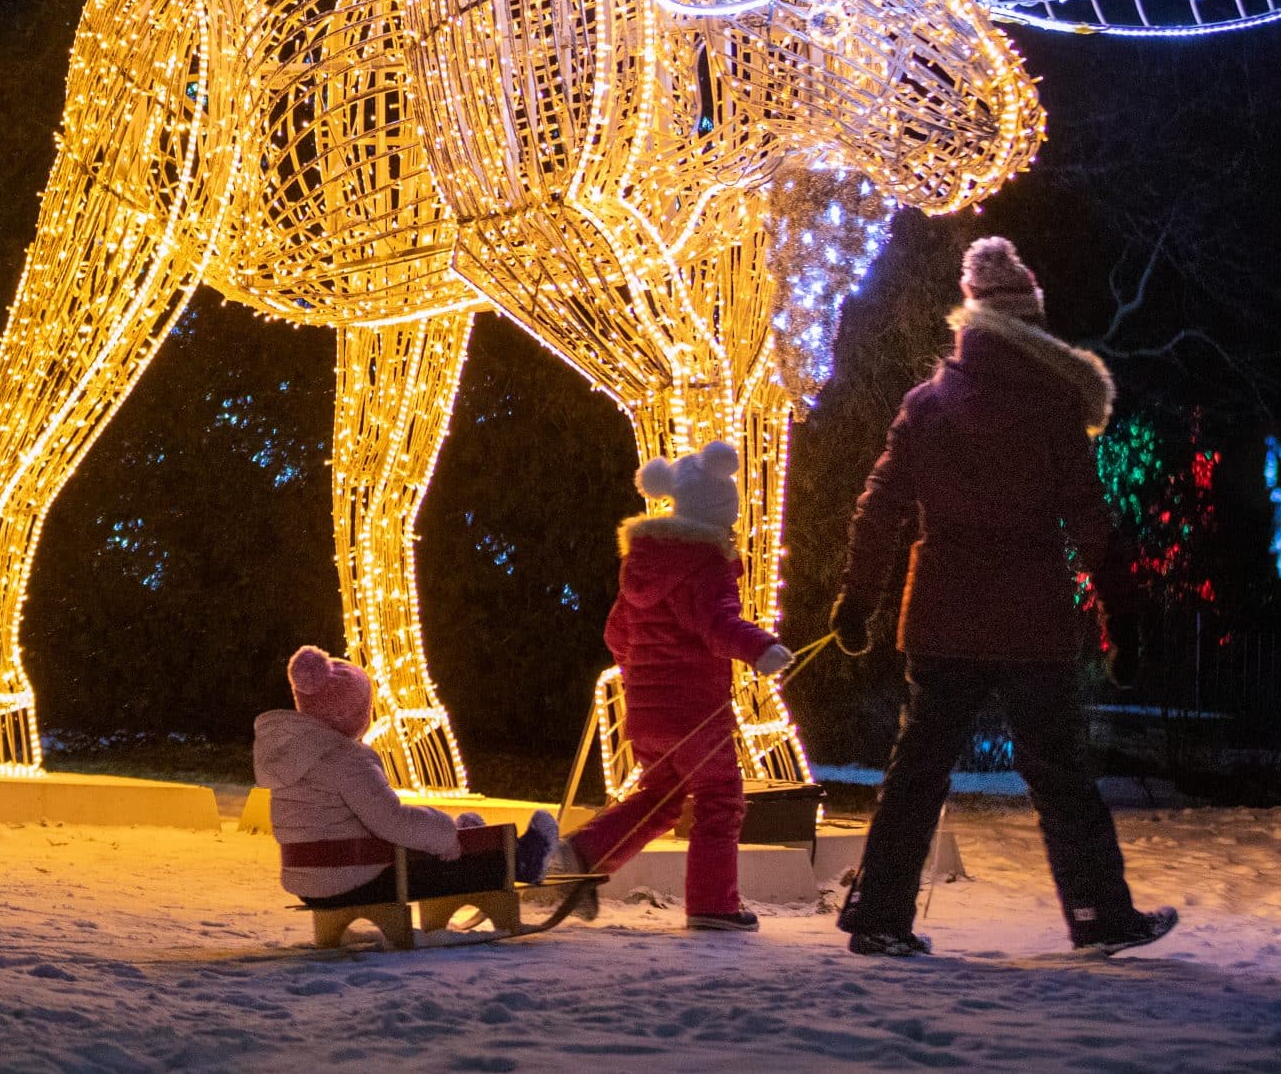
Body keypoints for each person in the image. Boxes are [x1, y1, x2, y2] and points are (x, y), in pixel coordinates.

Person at [831, 235, 1177, 959]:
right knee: (1061, 774)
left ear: (971, 322)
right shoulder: (1053, 408)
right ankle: (1098, 913)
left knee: (917, 769)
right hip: (1031, 621)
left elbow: (879, 506)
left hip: (942, 618)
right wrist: (1121, 615)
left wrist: (858, 600)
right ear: (1029, 325)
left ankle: (879, 912)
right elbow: (1090, 518)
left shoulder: (925, 407)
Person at [550, 442, 794, 931]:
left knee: (661, 796)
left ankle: (583, 853)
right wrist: (763, 649)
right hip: (695, 710)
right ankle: (712, 905)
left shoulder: (643, 565)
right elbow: (717, 625)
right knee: (720, 798)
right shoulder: (705, 564)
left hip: (646, 711)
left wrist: (645, 676)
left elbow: (616, 635)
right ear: (718, 514)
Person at [256, 646, 557, 907]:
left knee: (424, 846)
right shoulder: (346, 759)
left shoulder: (293, 753)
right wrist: (446, 835)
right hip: (353, 881)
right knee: (439, 864)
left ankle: (478, 843)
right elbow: (392, 820)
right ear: (350, 714)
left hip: (310, 884)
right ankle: (519, 861)